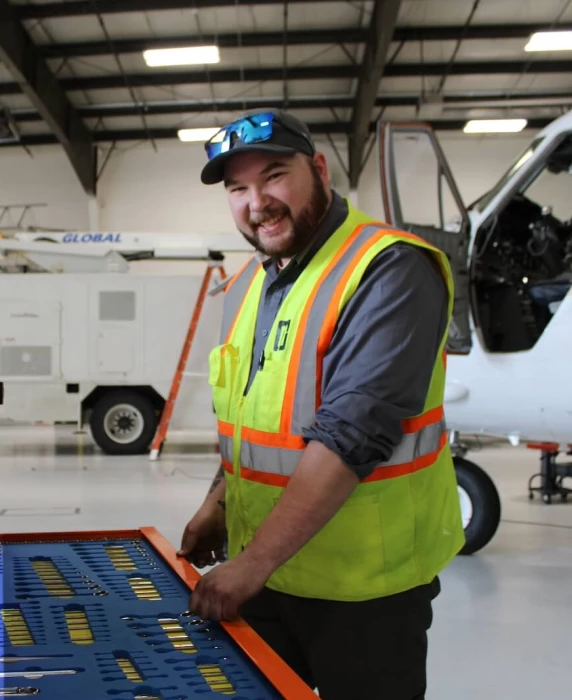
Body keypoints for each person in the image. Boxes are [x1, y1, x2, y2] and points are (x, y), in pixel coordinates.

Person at [177, 109, 465, 700]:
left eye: (274, 176)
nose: (257, 202)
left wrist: (251, 563)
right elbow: (256, 416)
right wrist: (219, 501)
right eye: (238, 188)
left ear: (319, 169)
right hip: (270, 577)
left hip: (364, 593)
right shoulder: (251, 284)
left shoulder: (389, 269)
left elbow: (351, 434)